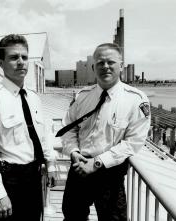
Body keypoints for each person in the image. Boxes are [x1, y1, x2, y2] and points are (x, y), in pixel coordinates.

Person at [58, 43, 151, 221]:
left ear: (121, 66)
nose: (105, 66)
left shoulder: (135, 100)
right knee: (72, 216)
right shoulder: (83, 96)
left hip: (110, 173)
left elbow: (134, 142)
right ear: (93, 67)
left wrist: (98, 163)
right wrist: (74, 152)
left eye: (111, 62)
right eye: (100, 63)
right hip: (79, 168)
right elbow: (68, 129)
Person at [0, 34, 56, 221]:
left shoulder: (33, 97)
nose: (21, 62)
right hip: (9, 181)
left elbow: (42, 135)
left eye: (24, 57)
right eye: (13, 57)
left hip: (34, 177)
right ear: (1, 63)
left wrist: (50, 163)